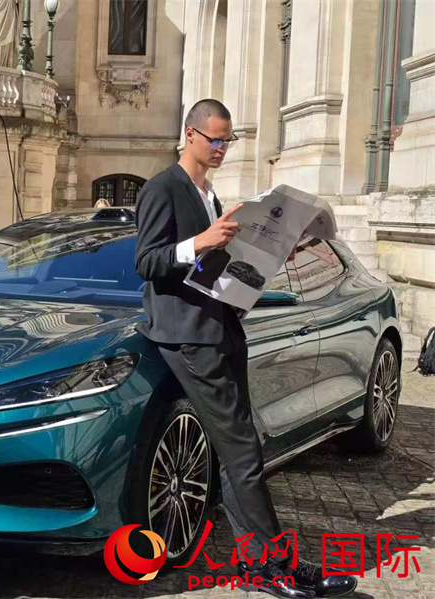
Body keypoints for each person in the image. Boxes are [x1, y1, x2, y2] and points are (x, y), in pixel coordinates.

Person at [134, 99, 356, 599]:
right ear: (190, 134)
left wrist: (262, 256)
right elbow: (147, 261)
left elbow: (212, 268)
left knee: (240, 450)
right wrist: (201, 241)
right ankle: (275, 565)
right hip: (190, 336)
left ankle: (260, 562)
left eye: (227, 141)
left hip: (222, 327)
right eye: (214, 139)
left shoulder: (209, 194)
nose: (221, 148)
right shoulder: (162, 188)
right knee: (242, 450)